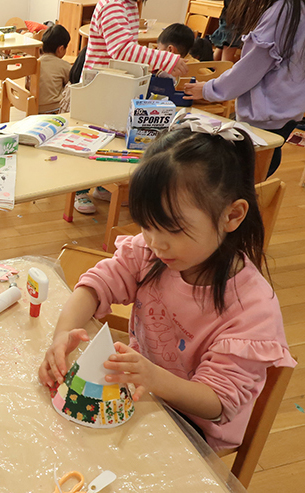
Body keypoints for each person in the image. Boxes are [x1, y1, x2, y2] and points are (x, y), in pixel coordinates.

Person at [38, 123, 296, 451]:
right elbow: (95, 286)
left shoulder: (253, 308)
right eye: (147, 225)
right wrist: (63, 334)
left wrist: (153, 378)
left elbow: (217, 403)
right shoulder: (150, 253)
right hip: (144, 398)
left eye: (172, 229)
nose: (155, 242)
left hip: (194, 431)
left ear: (232, 216)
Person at [74, 0, 189, 215]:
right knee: (90, 138)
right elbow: (121, 50)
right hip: (98, 85)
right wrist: (165, 59)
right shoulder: (112, 5)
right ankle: (79, 189)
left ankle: (101, 184)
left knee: (111, 137)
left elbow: (127, 49)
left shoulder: (129, 5)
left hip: (114, 84)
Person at [184, 0, 305, 177]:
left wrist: (208, 89)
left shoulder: (283, 11)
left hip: (266, 115)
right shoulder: (295, 9)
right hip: (287, 111)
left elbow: (249, 69)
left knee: (239, 175)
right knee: (258, 170)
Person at [36, 24, 71, 114]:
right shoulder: (64, 65)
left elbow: (27, 86)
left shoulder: (34, 64)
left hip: (35, 107)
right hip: (55, 109)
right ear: (61, 49)